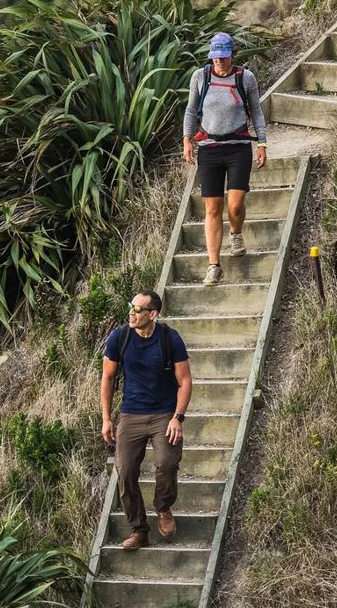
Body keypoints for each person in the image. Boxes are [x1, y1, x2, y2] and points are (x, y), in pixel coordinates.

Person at [101, 291, 192, 550]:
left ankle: (163, 507)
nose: (132, 312)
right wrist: (107, 418)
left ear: (153, 314)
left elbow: (184, 380)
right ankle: (139, 530)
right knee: (126, 470)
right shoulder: (120, 337)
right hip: (131, 414)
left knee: (167, 462)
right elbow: (108, 378)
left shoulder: (169, 338)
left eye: (138, 309)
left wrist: (178, 417)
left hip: (164, 413)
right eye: (130, 306)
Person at [182, 32, 267, 286]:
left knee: (235, 205)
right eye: (215, 57)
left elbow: (257, 111)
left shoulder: (245, 78)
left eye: (223, 56)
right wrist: (187, 138)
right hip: (209, 148)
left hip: (238, 147)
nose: (218, 61)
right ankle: (214, 265)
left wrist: (262, 142)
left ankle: (236, 233)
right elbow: (190, 109)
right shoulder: (201, 76)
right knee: (212, 207)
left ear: (232, 55)